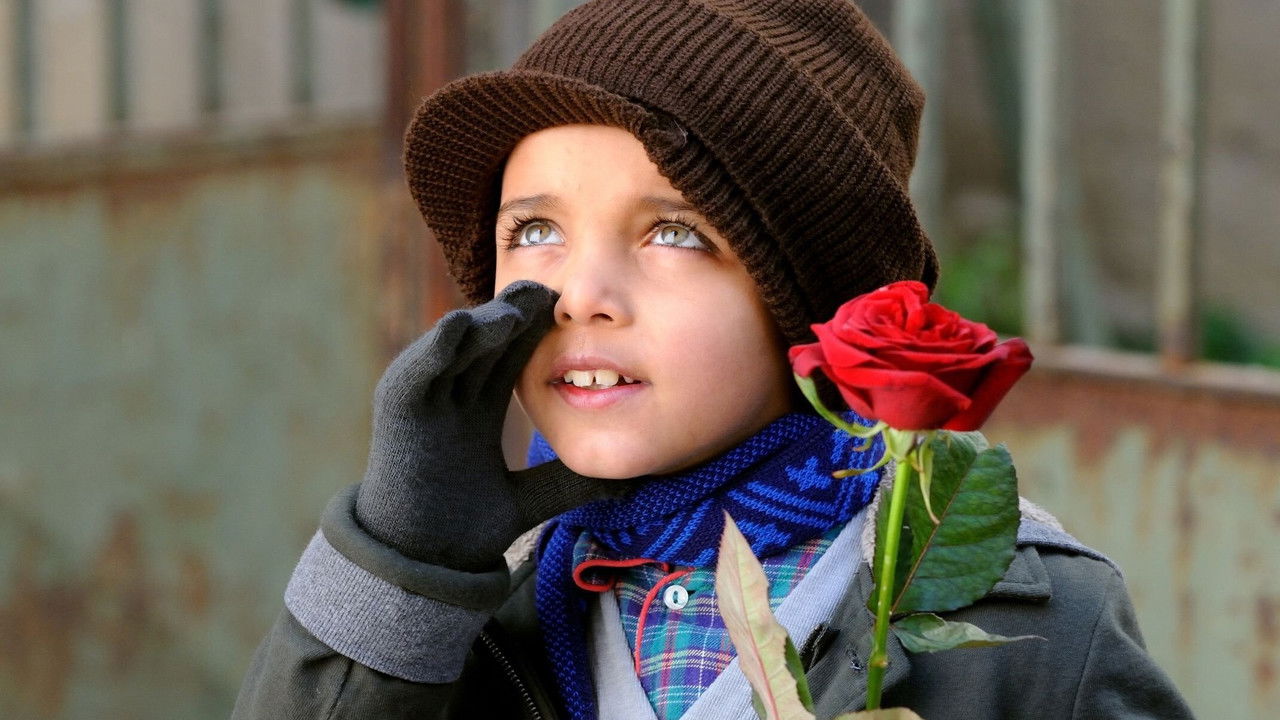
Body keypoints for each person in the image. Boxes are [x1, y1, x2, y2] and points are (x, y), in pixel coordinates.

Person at [232, 1, 1195, 718]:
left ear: (809, 301)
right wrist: (398, 568)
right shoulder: (476, 591)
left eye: (675, 233)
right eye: (533, 230)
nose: (578, 293)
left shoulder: (1038, 623)